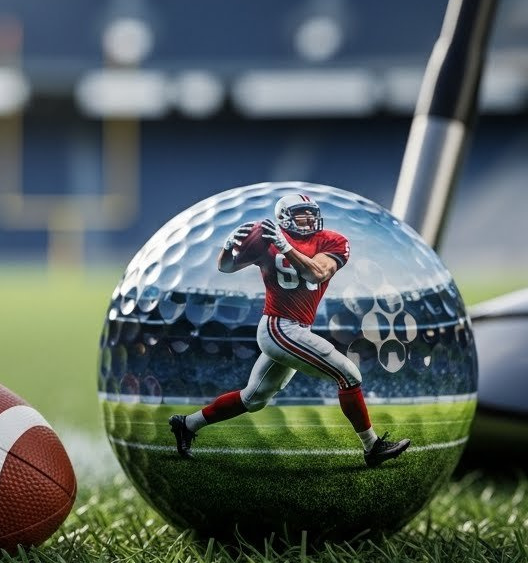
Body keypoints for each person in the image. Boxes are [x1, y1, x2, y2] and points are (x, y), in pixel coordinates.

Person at [169, 192, 410, 467]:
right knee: (349, 375)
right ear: (284, 217)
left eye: (311, 214)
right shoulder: (265, 239)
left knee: (254, 398)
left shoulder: (331, 240)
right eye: (301, 214)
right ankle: (372, 447)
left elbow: (317, 273)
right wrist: (228, 247)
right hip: (278, 326)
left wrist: (285, 247)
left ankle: (187, 424)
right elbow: (226, 267)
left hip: (296, 328)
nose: (308, 220)